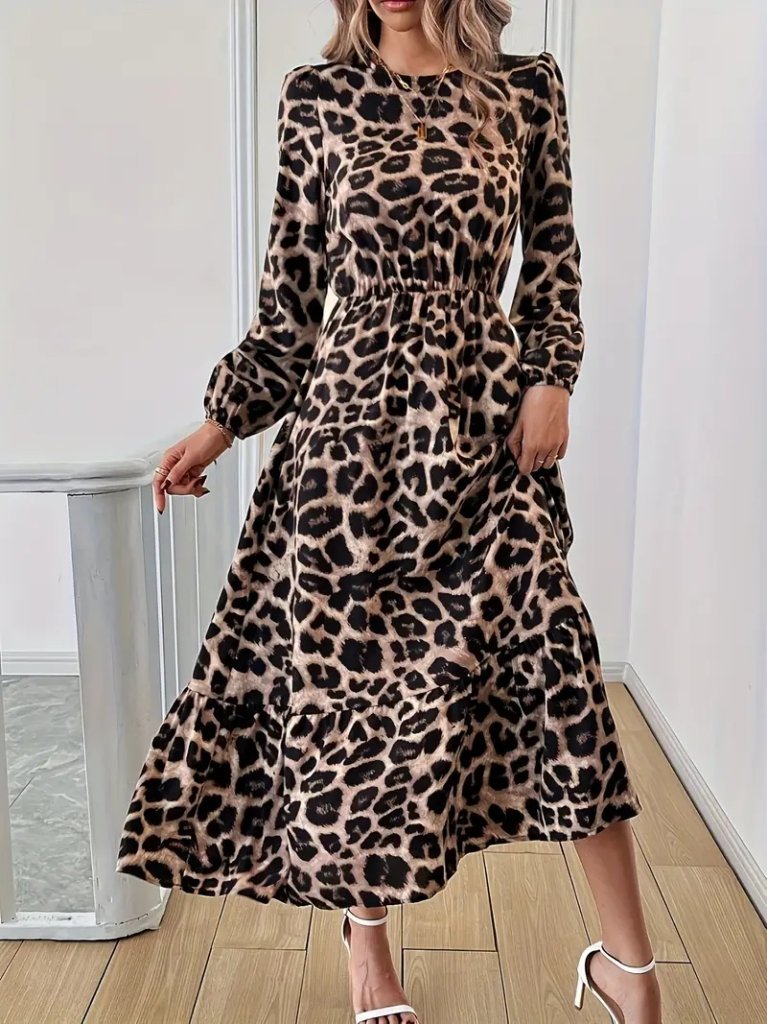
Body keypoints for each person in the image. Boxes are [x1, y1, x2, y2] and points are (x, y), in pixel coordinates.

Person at [116, 2, 662, 1021]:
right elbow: (290, 305)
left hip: (483, 432)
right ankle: (367, 951)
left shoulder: (524, 89)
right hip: (346, 449)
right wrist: (221, 422)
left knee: (559, 673)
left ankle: (630, 971)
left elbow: (551, 263)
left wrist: (552, 380)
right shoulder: (316, 97)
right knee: (352, 701)